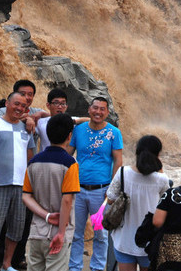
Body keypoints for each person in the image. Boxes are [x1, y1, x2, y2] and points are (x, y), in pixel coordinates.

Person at [0, 92, 37, 271]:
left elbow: (30, 158)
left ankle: (7, 264)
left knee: (17, 228)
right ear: (7, 103)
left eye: (23, 106)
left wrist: (30, 186)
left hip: (20, 187)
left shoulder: (26, 129)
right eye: (16, 104)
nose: (19, 108)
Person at [67, 97, 123, 271]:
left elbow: (118, 161)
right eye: (95, 108)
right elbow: (68, 155)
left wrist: (112, 189)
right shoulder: (78, 130)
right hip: (77, 189)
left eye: (102, 109)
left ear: (107, 112)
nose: (98, 112)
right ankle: (74, 267)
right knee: (76, 232)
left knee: (100, 234)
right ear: (89, 110)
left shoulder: (114, 133)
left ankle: (97, 268)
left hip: (101, 191)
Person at [22, 113, 80, 271]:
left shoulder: (33, 161)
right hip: (58, 234)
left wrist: (46, 216)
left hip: (36, 231)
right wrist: (61, 233)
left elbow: (26, 196)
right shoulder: (70, 163)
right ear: (69, 136)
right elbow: (67, 200)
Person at [107, 135, 169, 271]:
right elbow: (166, 204)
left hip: (124, 240)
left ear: (136, 151)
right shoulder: (162, 179)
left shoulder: (122, 173)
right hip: (148, 242)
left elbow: (110, 199)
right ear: (158, 155)